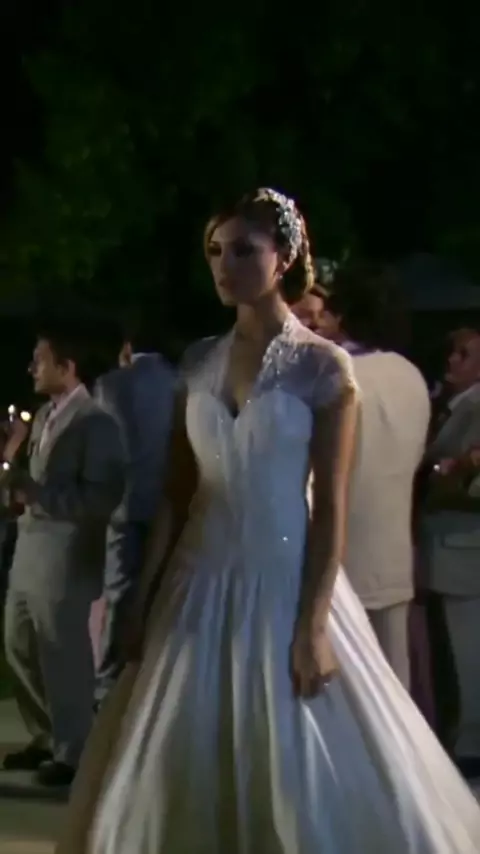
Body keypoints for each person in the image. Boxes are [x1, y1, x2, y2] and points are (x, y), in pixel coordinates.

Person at [57, 189, 480, 854]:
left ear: (282, 257)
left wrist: (313, 626)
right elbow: (176, 494)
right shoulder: (199, 360)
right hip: (196, 581)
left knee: (298, 761)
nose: (224, 266)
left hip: (283, 577)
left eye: (243, 251)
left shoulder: (322, 365)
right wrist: (139, 596)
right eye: (214, 251)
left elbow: (330, 507)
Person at [1, 320, 126, 787]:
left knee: (63, 658)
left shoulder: (97, 423)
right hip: (28, 554)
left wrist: (38, 496)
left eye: (40, 360)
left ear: (67, 366)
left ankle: (74, 752)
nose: (31, 368)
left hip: (66, 559)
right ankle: (46, 735)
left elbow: (101, 498)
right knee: (19, 646)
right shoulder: (42, 418)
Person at [303, 262, 430, 689]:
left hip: (338, 564)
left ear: (340, 316)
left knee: (346, 694)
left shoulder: (334, 376)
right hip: (393, 555)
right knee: (395, 687)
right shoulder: (410, 374)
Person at [93, 317, 175, 707]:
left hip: (123, 504)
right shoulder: (179, 383)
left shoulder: (110, 385)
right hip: (166, 504)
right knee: (160, 593)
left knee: (119, 592)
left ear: (127, 349)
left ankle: (108, 685)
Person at [420, 326, 480, 779]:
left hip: (464, 547)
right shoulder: (450, 405)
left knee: (467, 653)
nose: (453, 360)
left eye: (465, 354)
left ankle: (471, 743)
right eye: (452, 351)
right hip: (445, 545)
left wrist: (446, 474)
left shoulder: (475, 407)